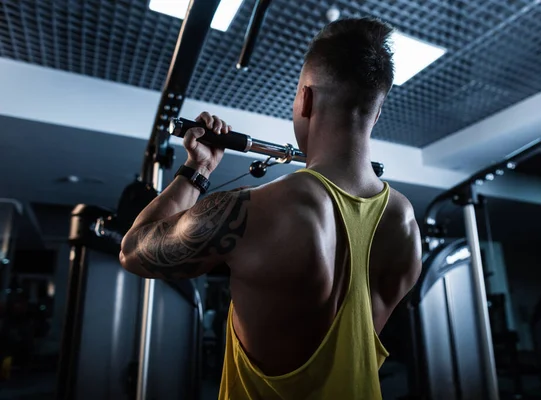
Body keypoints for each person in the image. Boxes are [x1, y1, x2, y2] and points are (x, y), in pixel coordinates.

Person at [120, 17, 422, 400]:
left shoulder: (263, 209)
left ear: (305, 99)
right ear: (376, 114)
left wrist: (197, 170)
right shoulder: (405, 222)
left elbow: (133, 250)